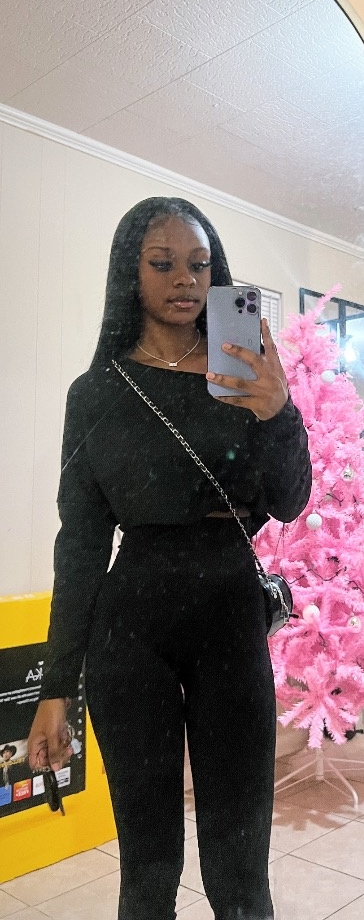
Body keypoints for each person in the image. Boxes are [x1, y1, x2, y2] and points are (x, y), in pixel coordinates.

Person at [27, 197, 312, 920]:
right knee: (148, 871)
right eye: (163, 264)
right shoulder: (96, 394)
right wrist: (56, 688)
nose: (185, 279)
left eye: (199, 264)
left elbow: (288, 502)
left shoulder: (245, 375)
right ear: (131, 273)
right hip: (132, 632)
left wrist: (278, 411)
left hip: (229, 617)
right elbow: (81, 543)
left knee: (240, 874)